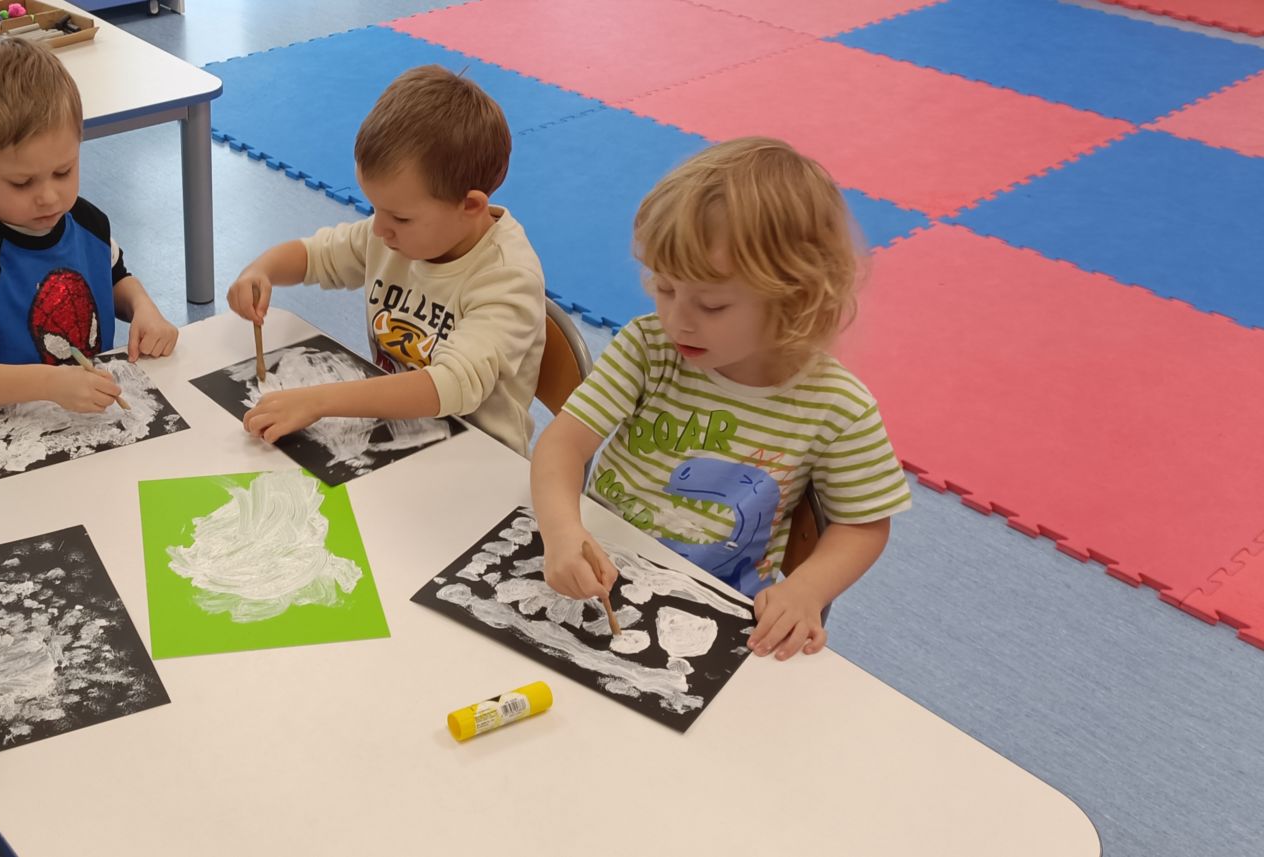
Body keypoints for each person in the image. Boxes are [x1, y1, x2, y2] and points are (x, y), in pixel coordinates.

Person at [530, 137, 912, 661]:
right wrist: (561, 531)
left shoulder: (837, 407)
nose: (677, 320)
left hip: (716, 611)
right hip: (603, 570)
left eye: (711, 305)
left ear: (794, 300)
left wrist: (807, 589)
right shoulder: (649, 347)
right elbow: (562, 446)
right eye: (665, 288)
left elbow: (863, 525)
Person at [225, 65, 546, 455]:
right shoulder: (395, 235)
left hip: (480, 462)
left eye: (399, 217)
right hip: (400, 438)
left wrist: (319, 400)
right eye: (375, 208)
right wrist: (262, 269)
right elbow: (318, 255)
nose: (379, 229)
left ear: (471, 206)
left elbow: (451, 384)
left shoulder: (507, 277)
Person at [0, 37, 178, 414]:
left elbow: (115, 276)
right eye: (22, 183)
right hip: (1, 431)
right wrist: (48, 383)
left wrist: (142, 308)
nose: (50, 197)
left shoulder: (85, 221)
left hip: (86, 419)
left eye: (63, 171)